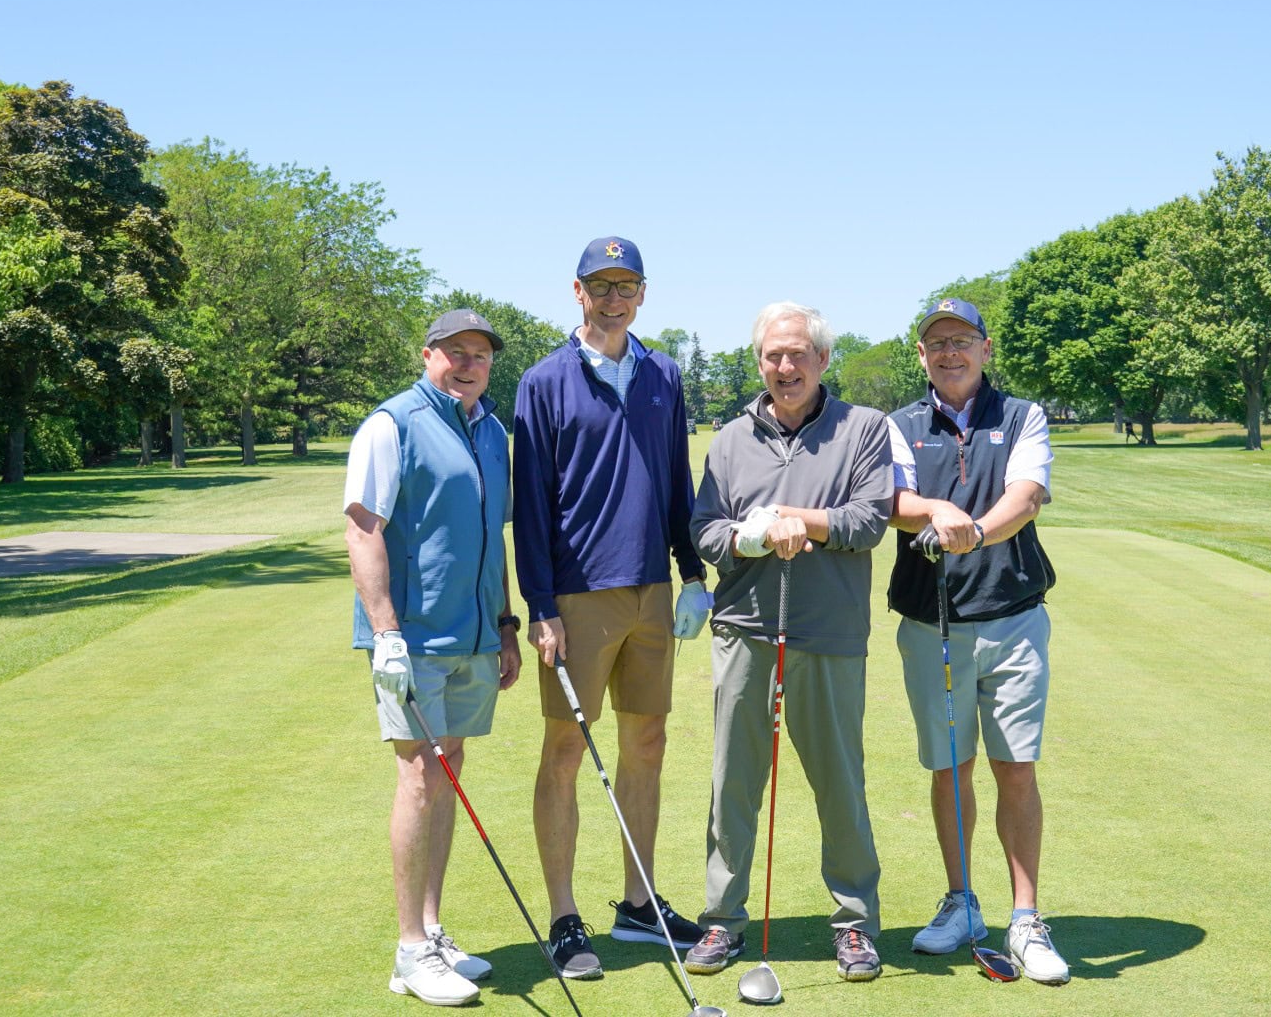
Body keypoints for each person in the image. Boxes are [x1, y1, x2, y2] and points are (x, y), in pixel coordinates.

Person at [512, 236, 713, 979]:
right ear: (578, 292)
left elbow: (673, 481)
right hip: (575, 595)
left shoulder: (662, 372)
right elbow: (528, 505)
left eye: (626, 284)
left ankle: (636, 905)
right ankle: (564, 917)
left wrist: (692, 573)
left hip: (652, 590)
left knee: (649, 743)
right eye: (601, 285)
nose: (614, 296)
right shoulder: (543, 381)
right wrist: (540, 604)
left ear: (642, 292)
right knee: (566, 751)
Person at [684, 301, 894, 984]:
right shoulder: (729, 439)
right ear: (760, 362)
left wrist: (797, 519)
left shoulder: (862, 429)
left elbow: (868, 520)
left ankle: (856, 925)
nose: (785, 367)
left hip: (829, 634)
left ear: (822, 359)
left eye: (798, 354)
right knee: (733, 782)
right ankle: (722, 919)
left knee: (840, 784)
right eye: (773, 356)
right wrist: (750, 535)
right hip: (744, 630)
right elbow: (706, 530)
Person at [885, 297, 1069, 984]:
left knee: (1014, 766)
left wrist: (975, 531)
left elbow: (1025, 497)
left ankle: (1026, 918)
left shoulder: (1023, 416)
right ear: (924, 355)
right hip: (931, 621)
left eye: (962, 340)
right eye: (937, 343)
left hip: (1013, 617)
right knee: (949, 766)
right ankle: (962, 903)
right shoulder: (899, 425)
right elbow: (896, 501)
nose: (950, 353)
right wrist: (936, 511)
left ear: (986, 349)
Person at [344, 309, 524, 1006]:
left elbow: (491, 539)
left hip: (474, 635)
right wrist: (385, 632)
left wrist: (506, 625)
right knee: (420, 777)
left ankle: (432, 928)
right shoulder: (391, 425)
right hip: (412, 641)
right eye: (456, 352)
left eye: (481, 354)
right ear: (428, 355)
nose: (470, 363)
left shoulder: (491, 432)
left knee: (448, 773)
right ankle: (409, 951)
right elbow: (364, 529)